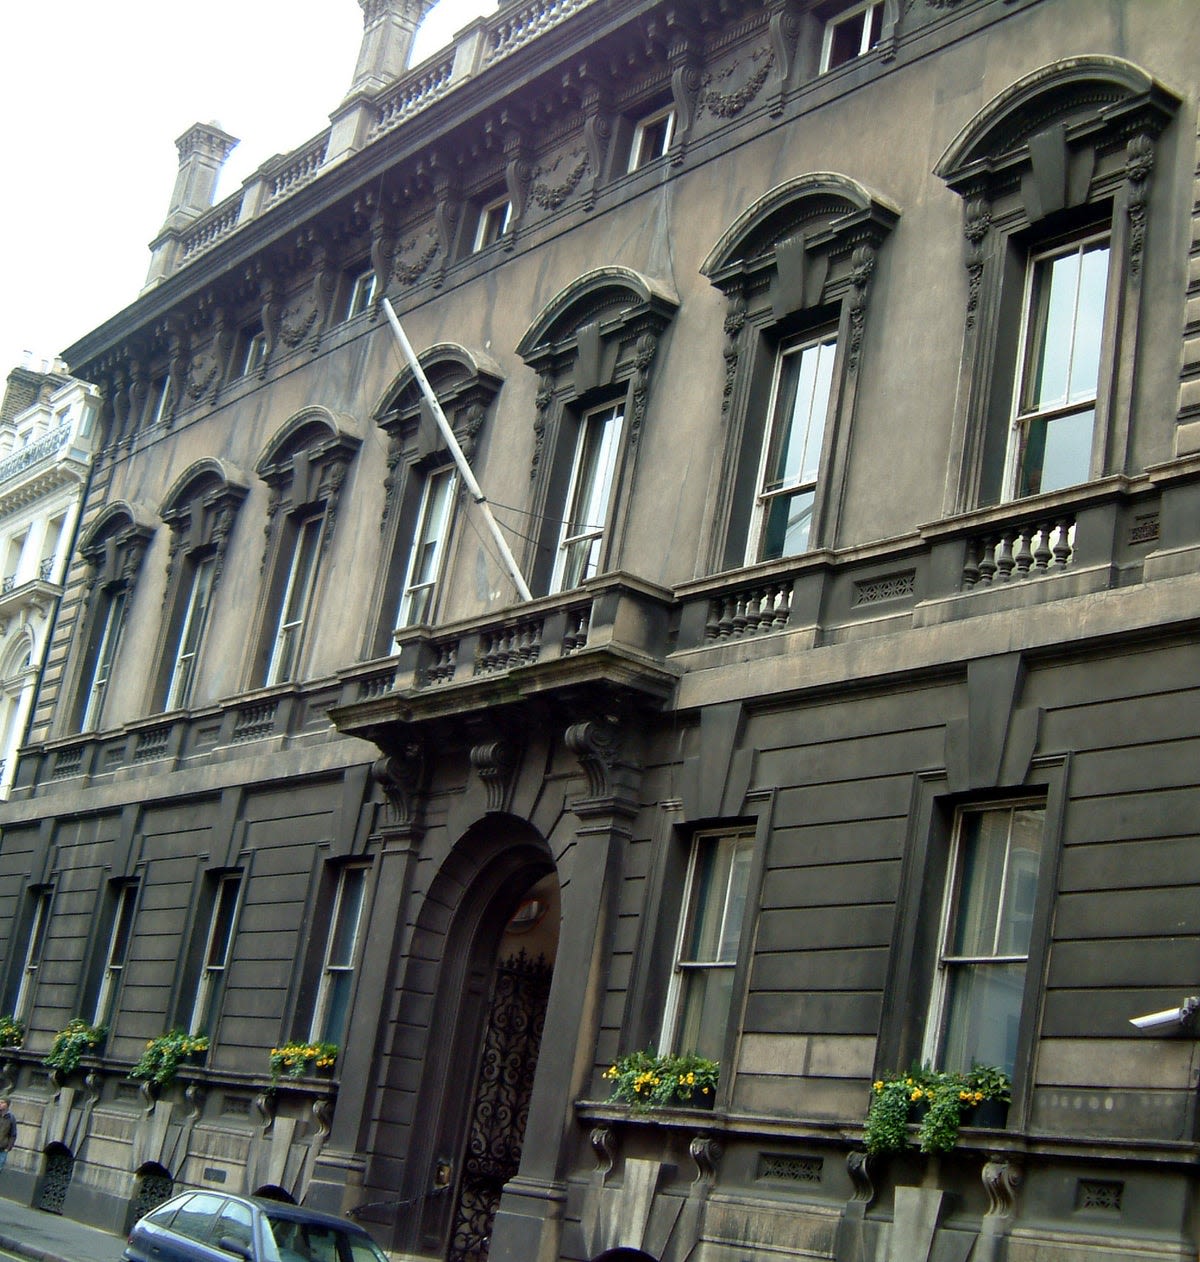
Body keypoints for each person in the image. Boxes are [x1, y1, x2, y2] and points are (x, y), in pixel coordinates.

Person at [0, 1099, 15, 1174]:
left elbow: (13, 1134)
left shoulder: (11, 1118)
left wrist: (8, 1148)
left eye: (2, 1102)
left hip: (2, 1149)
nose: (0, 1104)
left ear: (7, 1105)